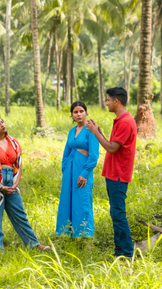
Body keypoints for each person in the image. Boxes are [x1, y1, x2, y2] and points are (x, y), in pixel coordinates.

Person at [0, 113, 50, 251]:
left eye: (2, 122)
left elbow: (19, 164)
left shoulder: (14, 142)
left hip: (11, 179)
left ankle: (34, 244)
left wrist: (15, 183)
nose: (2, 125)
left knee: (20, 213)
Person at [85, 87, 137, 258]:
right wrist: (99, 131)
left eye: (108, 100)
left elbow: (112, 148)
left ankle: (127, 253)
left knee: (118, 214)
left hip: (119, 174)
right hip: (114, 173)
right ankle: (120, 252)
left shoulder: (125, 122)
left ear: (116, 101)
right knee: (116, 213)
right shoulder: (121, 120)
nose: (106, 103)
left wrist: (94, 133)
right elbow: (112, 143)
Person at [56, 101, 99, 238]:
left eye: (81, 111)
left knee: (82, 200)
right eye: (75, 112)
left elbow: (94, 155)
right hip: (70, 170)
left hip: (82, 170)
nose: (79, 114)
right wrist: (65, 170)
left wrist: (85, 173)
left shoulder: (91, 130)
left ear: (86, 113)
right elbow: (66, 152)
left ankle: (84, 234)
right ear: (72, 115)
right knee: (67, 200)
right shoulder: (71, 131)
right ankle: (66, 232)